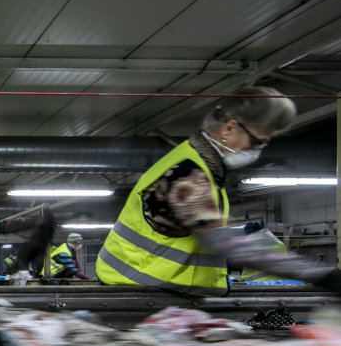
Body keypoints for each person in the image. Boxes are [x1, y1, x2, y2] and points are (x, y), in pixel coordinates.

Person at [96, 86, 341, 296]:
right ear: (229, 129)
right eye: (256, 141)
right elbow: (229, 246)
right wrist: (322, 274)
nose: (257, 150)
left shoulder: (195, 160)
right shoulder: (188, 174)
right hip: (138, 289)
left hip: (151, 287)